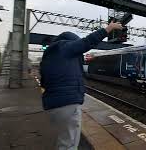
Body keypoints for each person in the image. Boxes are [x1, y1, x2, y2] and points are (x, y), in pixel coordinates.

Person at [40, 21, 123, 150]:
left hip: (52, 105)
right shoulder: (65, 47)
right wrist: (108, 28)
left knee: (64, 139)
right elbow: (87, 42)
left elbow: (43, 82)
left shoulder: (48, 56)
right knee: (69, 144)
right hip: (68, 103)